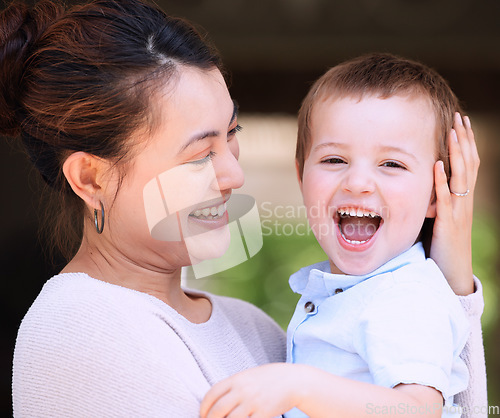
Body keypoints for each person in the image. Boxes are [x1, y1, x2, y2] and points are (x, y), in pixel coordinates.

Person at [0, 0, 483, 415]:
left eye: (232, 136)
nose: (234, 175)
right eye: (198, 155)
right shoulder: (80, 326)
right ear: (92, 177)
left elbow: (442, 407)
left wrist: (451, 277)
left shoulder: (255, 330)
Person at [200, 54, 487, 418]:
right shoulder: (356, 294)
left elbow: (417, 409)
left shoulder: (405, 296)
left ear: (435, 193)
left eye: (391, 164)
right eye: (335, 160)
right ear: (301, 174)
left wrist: (298, 387)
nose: (358, 183)